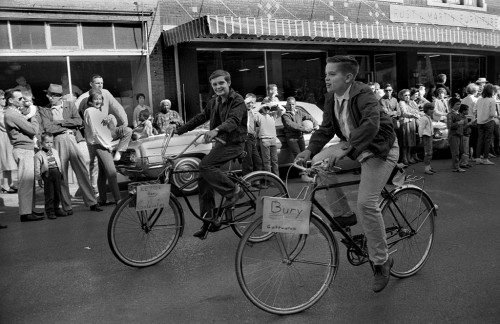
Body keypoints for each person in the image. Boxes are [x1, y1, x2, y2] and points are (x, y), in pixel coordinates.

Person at [295, 55, 399, 293]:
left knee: (367, 203)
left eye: (332, 74)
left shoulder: (364, 95)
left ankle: (382, 262)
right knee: (318, 164)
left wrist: (347, 151)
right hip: (353, 146)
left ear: (349, 77)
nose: (326, 78)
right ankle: (343, 216)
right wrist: (309, 150)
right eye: (326, 74)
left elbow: (371, 126)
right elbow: (327, 129)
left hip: (379, 150)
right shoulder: (331, 97)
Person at [175, 69, 247, 239]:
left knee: (205, 165)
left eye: (221, 83)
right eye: (214, 84)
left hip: (235, 143)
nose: (218, 87)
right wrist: (179, 130)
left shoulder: (238, 100)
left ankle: (234, 191)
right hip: (221, 143)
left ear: (228, 83)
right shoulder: (214, 102)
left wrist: (216, 130)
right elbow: (201, 117)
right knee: (203, 177)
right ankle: (209, 220)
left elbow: (234, 121)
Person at [37, 84, 102, 214]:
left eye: (51, 95)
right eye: (48, 94)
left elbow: (79, 121)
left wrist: (59, 122)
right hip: (57, 140)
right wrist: (67, 125)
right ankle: (67, 206)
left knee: (82, 171)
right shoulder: (44, 110)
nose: (48, 97)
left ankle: (92, 202)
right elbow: (48, 128)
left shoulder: (70, 105)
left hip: (72, 139)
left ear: (58, 96)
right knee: (62, 175)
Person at [4, 89, 44, 222]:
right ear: (11, 100)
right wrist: (33, 116)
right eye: (20, 99)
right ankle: (25, 212)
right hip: (23, 149)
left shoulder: (15, 113)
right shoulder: (12, 114)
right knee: (26, 183)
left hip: (26, 149)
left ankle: (29, 210)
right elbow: (32, 130)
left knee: (29, 182)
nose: (23, 101)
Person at [75, 75, 132, 161]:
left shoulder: (106, 93)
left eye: (102, 83)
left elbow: (117, 107)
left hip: (108, 130)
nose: (100, 85)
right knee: (96, 163)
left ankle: (118, 153)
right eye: (97, 83)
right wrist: (83, 124)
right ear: (91, 84)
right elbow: (74, 111)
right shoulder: (84, 97)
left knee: (128, 130)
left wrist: (125, 122)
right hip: (95, 136)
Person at [83, 89, 122, 205]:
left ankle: (103, 199)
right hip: (100, 144)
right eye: (96, 99)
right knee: (112, 172)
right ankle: (118, 199)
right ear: (90, 101)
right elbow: (96, 132)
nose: (98, 101)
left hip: (100, 143)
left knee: (103, 173)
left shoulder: (96, 111)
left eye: (100, 99)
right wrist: (108, 145)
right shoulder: (90, 111)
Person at [281, 96, 318, 182]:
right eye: (289, 104)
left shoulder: (299, 112)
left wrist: (315, 124)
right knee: (298, 156)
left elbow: (309, 117)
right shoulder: (285, 115)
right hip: (291, 139)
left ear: (295, 104)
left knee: (304, 156)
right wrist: (304, 129)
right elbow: (290, 125)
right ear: (286, 105)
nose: (291, 106)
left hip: (300, 137)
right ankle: (303, 176)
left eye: (293, 104)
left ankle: (306, 174)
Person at [34, 132, 68, 219]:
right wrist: (38, 178)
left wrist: (61, 173)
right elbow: (37, 167)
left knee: (57, 193)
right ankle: (50, 211)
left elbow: (59, 162)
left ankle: (56, 208)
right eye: (47, 142)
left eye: (51, 142)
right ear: (42, 143)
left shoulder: (55, 151)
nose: (49, 144)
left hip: (56, 173)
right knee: (49, 194)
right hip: (47, 175)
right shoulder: (39, 154)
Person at [254, 97, 283, 177]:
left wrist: (274, 105)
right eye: (265, 107)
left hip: (273, 139)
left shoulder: (272, 115)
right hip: (264, 140)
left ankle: (277, 178)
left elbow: (283, 111)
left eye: (267, 107)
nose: (266, 109)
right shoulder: (259, 115)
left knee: (275, 161)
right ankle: (270, 180)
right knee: (267, 161)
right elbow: (252, 113)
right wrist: (262, 106)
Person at [0, 90, 18, 194]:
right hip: (2, 137)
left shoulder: (4, 110)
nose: (4, 101)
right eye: (2, 99)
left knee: (9, 161)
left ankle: (10, 184)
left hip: (7, 137)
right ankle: (5, 186)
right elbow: (4, 124)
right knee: (5, 160)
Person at [475, 83, 497, 165]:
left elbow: (475, 110)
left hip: (479, 121)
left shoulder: (479, 99)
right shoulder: (492, 100)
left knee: (480, 140)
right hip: (488, 122)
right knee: (487, 140)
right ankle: (485, 158)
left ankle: (477, 158)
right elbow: (492, 114)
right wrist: (497, 116)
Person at [398, 89, 422, 165]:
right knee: (405, 142)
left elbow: (416, 110)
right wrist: (413, 115)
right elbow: (404, 113)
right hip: (405, 123)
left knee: (411, 142)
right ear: (401, 96)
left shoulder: (410, 102)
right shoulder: (401, 103)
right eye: (405, 95)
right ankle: (404, 158)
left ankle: (409, 157)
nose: (408, 96)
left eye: (408, 95)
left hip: (412, 122)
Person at [241, 94, 262, 176]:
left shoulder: (252, 112)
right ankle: (247, 184)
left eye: (252, 102)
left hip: (252, 138)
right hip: (245, 137)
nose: (250, 104)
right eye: (248, 102)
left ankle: (256, 181)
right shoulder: (242, 110)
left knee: (258, 161)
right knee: (247, 161)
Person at [447, 97, 466, 172]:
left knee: (461, 151)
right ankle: (455, 167)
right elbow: (449, 126)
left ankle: (457, 165)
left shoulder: (458, 114)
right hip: (453, 135)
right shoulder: (450, 114)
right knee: (456, 152)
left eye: (459, 104)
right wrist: (458, 123)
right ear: (452, 105)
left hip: (459, 134)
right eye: (457, 104)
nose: (459, 106)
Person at [461, 83, 480, 161]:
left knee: (467, 139)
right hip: (473, 120)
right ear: (475, 91)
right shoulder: (476, 100)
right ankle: (475, 156)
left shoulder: (463, 99)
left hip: (465, 120)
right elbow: (476, 111)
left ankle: (467, 156)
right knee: (475, 138)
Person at [418, 103, 436, 175]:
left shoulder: (428, 117)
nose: (432, 111)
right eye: (431, 109)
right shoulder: (424, 118)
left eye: (432, 109)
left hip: (430, 136)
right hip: (426, 136)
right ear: (426, 110)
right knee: (427, 152)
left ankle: (429, 167)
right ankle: (426, 168)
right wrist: (420, 137)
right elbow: (421, 128)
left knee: (430, 152)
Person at [459, 104, 475, 169]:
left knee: (467, 150)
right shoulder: (461, 118)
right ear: (463, 111)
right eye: (467, 110)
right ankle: (463, 163)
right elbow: (462, 128)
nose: (468, 111)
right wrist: (469, 124)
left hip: (467, 134)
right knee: (465, 150)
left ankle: (466, 162)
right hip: (464, 135)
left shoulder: (465, 117)